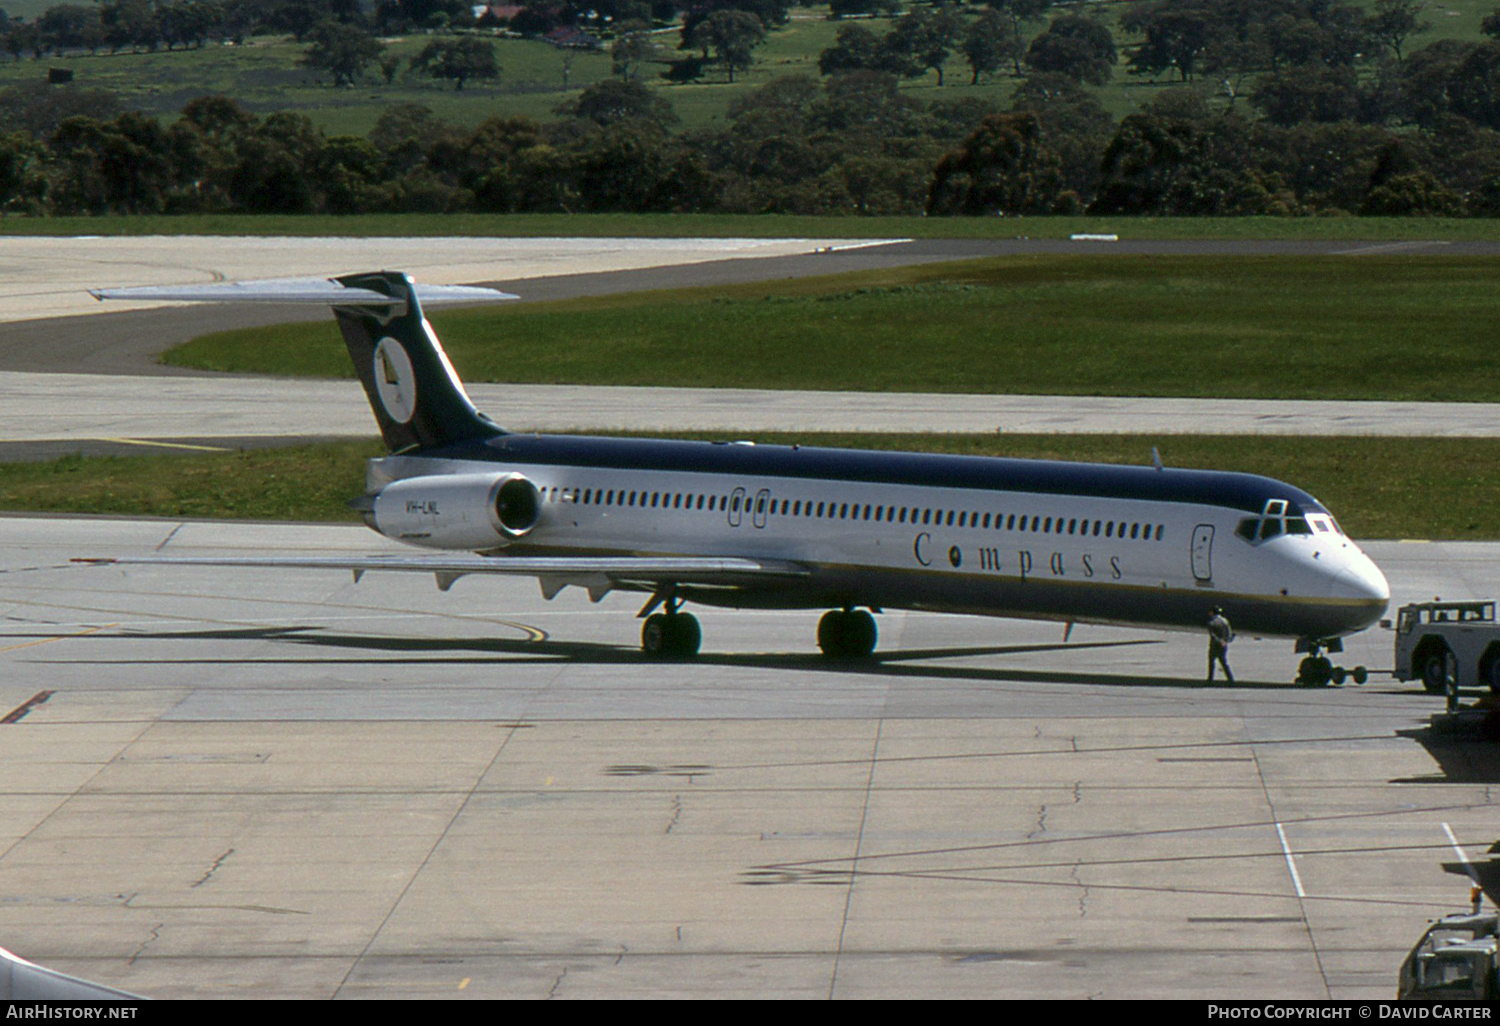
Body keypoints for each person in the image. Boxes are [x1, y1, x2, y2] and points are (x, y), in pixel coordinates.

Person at [1207, 607, 1234, 684]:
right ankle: (1230, 679)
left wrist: (1219, 641)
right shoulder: (1224, 621)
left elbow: (1213, 635)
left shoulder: (1211, 622)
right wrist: (1225, 641)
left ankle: (1210, 680)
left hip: (1215, 645)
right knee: (1224, 662)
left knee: (1211, 663)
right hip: (1223, 645)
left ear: (1212, 613)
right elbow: (1229, 632)